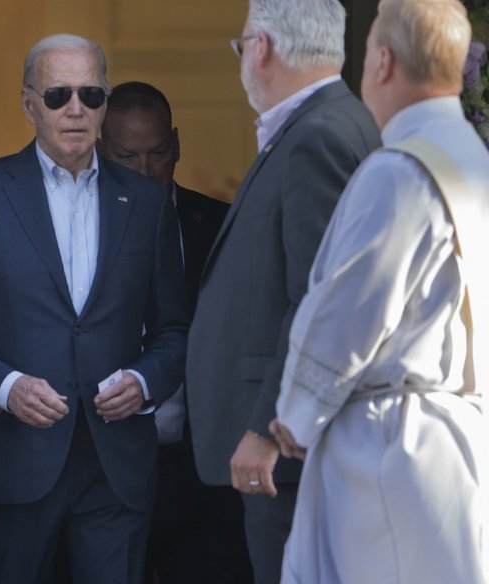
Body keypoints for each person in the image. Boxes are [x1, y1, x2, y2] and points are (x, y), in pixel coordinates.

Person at [0, 34, 189, 584]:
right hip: (13, 457)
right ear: (28, 105)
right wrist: (5, 385)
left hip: (115, 465)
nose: (76, 109)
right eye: (58, 94)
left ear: (105, 105)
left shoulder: (147, 202)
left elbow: (176, 329)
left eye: (91, 95)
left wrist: (144, 380)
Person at [270, 1, 489, 581]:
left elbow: (353, 305)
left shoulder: (398, 169)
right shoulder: (475, 158)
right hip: (461, 433)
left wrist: (296, 412)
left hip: (391, 444)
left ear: (382, 61)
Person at [183, 1, 382, 582]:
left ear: (262, 48)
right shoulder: (325, 123)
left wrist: (271, 427)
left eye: (242, 46)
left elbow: (321, 299)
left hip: (287, 456)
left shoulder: (317, 135)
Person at [99, 81, 251, 584]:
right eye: (128, 156)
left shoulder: (223, 227)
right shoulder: (75, 229)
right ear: (99, 150)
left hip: (206, 468)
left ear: (178, 145)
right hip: (110, 466)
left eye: (158, 153)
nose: (146, 171)